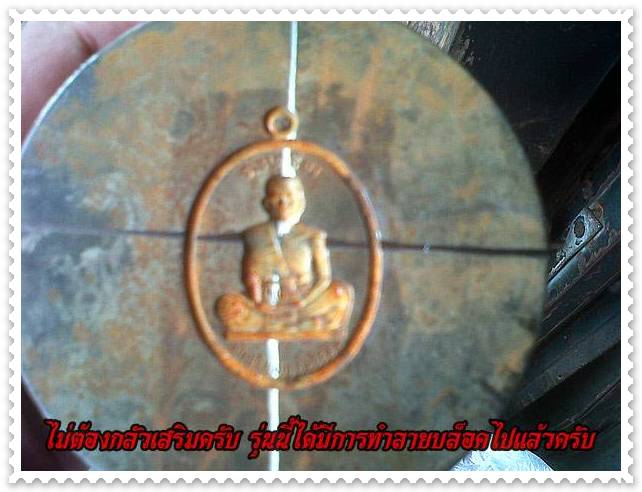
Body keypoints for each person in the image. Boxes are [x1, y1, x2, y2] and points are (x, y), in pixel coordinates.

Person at [216, 175, 354, 340]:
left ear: (300, 201)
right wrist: (258, 300)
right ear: (266, 203)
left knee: (339, 293)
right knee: (227, 304)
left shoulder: (312, 236)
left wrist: (304, 301)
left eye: (289, 196)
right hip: (265, 304)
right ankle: (298, 325)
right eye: (277, 197)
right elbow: (250, 276)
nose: (283, 202)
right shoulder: (254, 234)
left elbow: (324, 278)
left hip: (304, 303)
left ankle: (283, 325)